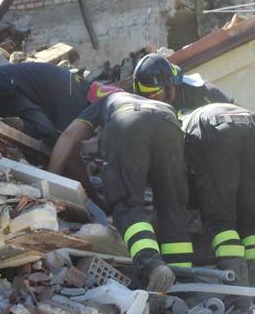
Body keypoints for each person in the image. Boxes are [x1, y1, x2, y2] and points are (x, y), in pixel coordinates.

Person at [48, 91, 194, 313]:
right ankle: (182, 285)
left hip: (128, 121)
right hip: (169, 121)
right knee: (173, 208)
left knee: (128, 206)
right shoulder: (154, 102)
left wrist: (49, 181)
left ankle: (152, 265)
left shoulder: (107, 100)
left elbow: (69, 135)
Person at [181, 103, 255, 294]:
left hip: (214, 131)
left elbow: (186, 173)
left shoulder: (184, 127)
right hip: (254, 125)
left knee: (222, 222)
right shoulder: (219, 105)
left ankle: (238, 292)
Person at [0, 62, 89, 146]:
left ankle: (12, 125)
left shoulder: (72, 83)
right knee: (49, 132)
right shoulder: (77, 101)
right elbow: (64, 138)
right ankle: (16, 125)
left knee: (48, 131)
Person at [132, 53, 234, 113]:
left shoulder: (204, 91)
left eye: (155, 97)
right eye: (146, 101)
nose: (152, 105)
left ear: (170, 87)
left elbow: (240, 118)